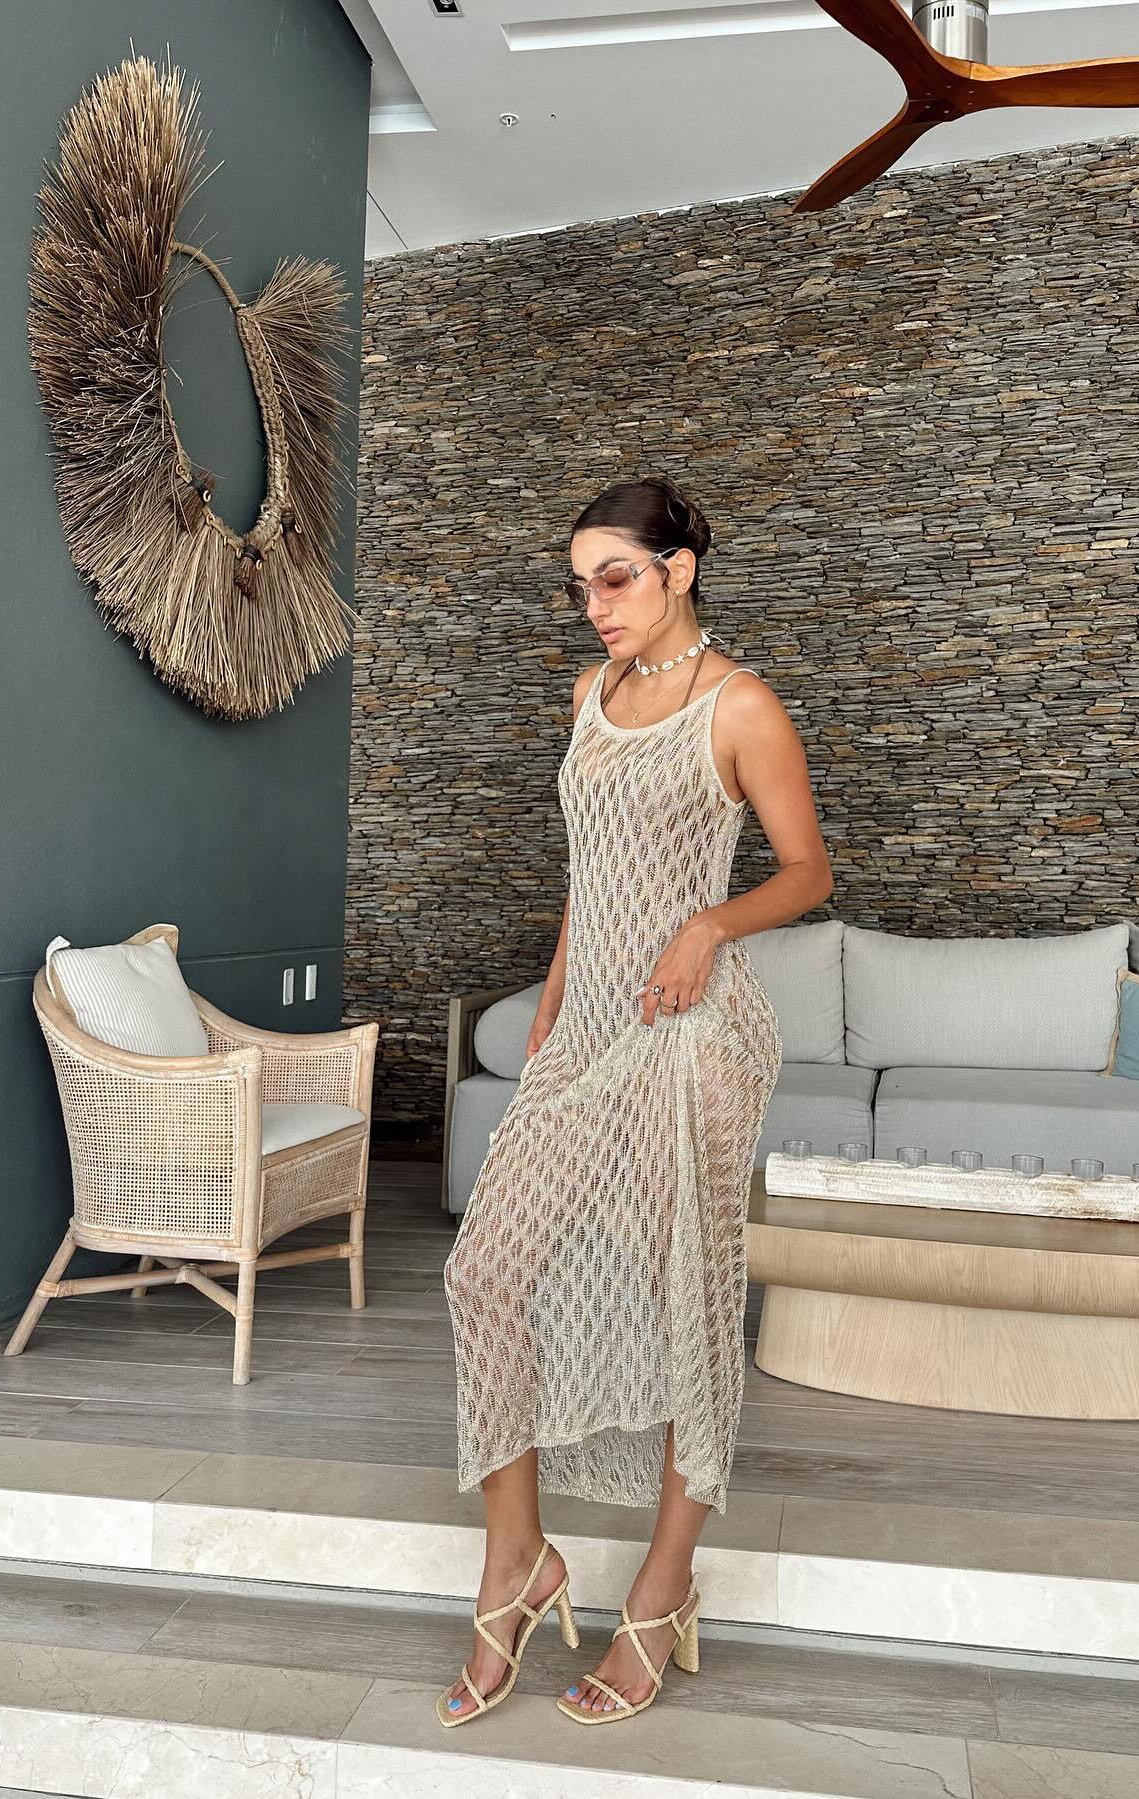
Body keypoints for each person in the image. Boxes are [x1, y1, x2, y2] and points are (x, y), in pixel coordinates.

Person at [437, 473, 833, 1728]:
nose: (596, 603)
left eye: (616, 576)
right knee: (485, 1272)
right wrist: (555, 1000)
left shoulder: (741, 704)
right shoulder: (589, 696)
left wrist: (709, 924)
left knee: (680, 1298)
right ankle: (518, 1557)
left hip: (691, 1034)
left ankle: (663, 1585)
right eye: (581, 585)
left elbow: (808, 870)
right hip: (590, 1029)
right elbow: (591, 870)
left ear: (680, 569)